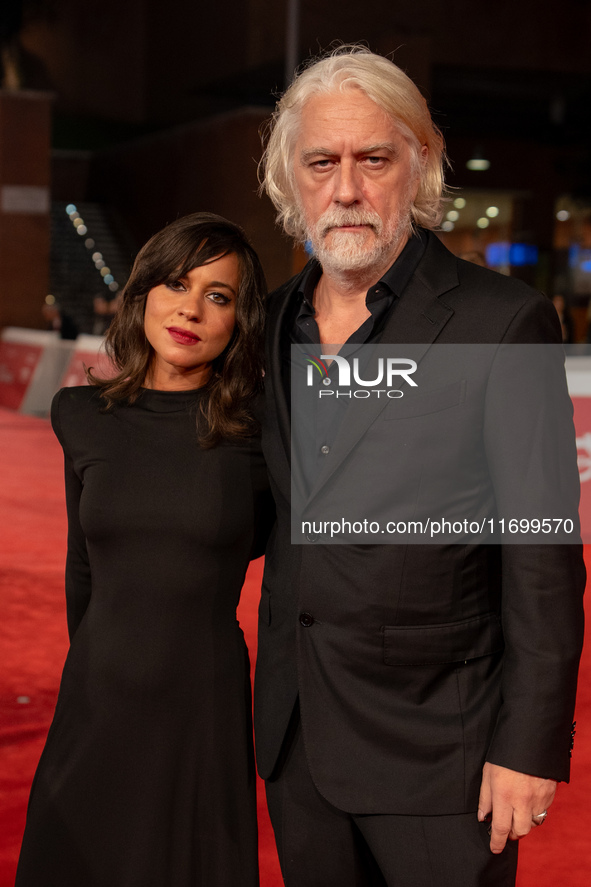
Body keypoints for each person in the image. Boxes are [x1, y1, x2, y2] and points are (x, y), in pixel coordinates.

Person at [256, 47, 586, 887]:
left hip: (445, 756)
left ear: (422, 165)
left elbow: (541, 554)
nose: (347, 188)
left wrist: (528, 745)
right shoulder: (271, 322)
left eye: (374, 159)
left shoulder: (499, 322)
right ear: (290, 178)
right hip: (298, 739)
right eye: (321, 162)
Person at [16, 212, 271, 887]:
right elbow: (83, 564)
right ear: (142, 295)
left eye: (217, 295)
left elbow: (272, 545)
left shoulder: (260, 432)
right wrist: (97, 667)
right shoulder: (81, 414)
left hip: (201, 704)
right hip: (98, 695)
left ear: (238, 320)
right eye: (175, 284)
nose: (189, 308)